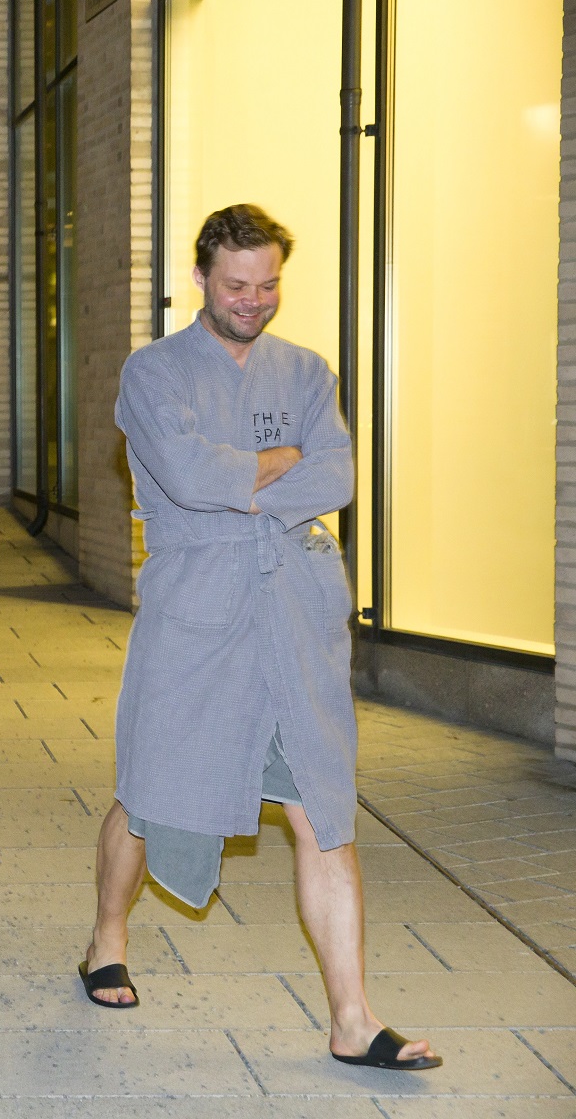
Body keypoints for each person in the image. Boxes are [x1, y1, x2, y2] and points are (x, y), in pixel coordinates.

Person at [84, 204, 440, 1072]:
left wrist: (242, 478)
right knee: (148, 791)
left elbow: (337, 474)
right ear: (200, 279)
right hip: (195, 611)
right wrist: (275, 465)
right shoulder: (153, 373)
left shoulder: (306, 372)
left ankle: (353, 1020)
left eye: (269, 284)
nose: (253, 300)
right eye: (237, 285)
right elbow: (186, 474)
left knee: (323, 808)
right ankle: (106, 936)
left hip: (293, 617)